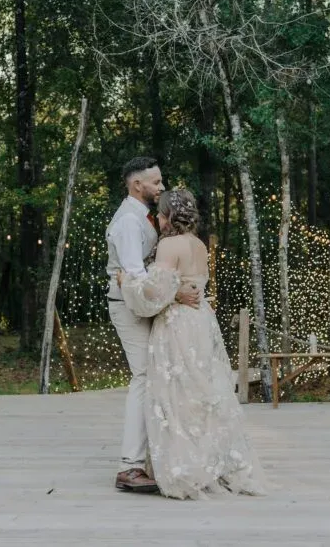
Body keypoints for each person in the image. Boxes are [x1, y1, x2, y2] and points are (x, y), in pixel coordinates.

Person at [119, 188, 266, 499]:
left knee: (175, 394)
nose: (157, 219)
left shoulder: (169, 245)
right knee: (202, 393)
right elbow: (186, 284)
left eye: (160, 214)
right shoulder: (199, 245)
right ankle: (209, 462)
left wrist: (127, 283)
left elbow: (153, 296)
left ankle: (184, 467)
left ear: (170, 216)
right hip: (201, 322)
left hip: (176, 325)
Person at [106, 157, 200, 493]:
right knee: (144, 376)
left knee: (157, 374)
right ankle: (129, 467)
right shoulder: (129, 223)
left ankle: (151, 458)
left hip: (146, 303)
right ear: (137, 185)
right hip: (129, 306)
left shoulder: (143, 217)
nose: (161, 187)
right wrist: (175, 295)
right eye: (156, 182)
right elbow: (136, 277)